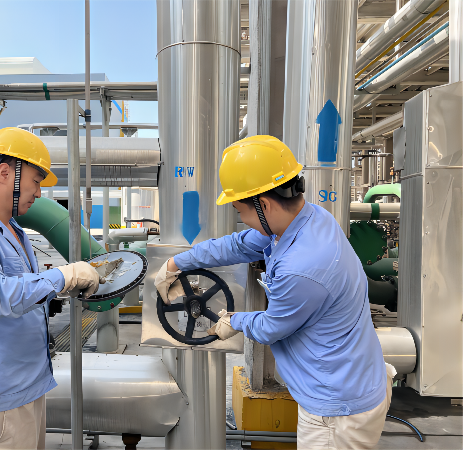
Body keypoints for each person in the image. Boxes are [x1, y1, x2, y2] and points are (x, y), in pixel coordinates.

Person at [155, 135, 395, 449]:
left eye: (239, 211)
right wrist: (176, 263)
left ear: (264, 204)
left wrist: (234, 320)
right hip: (353, 373)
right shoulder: (308, 219)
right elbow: (239, 245)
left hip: (337, 409)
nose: (242, 220)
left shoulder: (301, 267)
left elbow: (272, 327)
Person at [0, 127, 103, 450]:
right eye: (36, 181)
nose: (38, 193)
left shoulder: (14, 231)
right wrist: (63, 277)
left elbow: (21, 293)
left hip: (25, 389)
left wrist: (59, 289)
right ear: (4, 173)